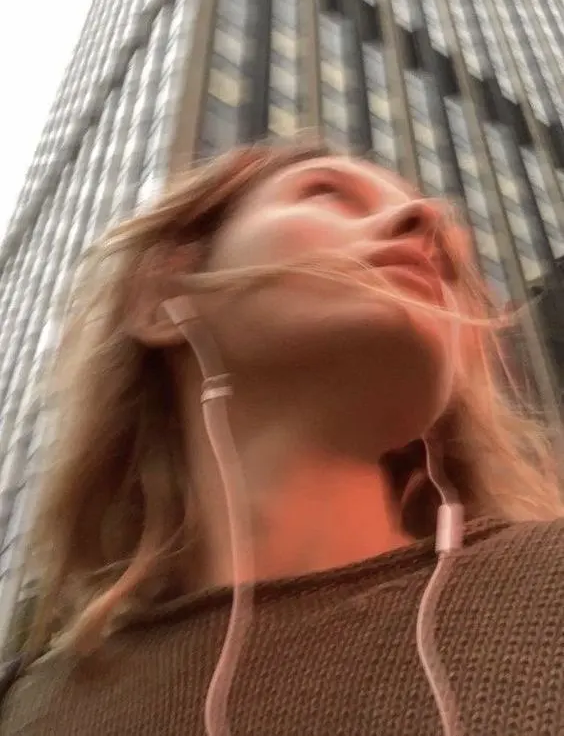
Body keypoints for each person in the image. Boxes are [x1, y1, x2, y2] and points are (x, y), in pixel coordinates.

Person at [1, 138, 564, 736]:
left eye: (449, 263)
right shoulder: (28, 709)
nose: (426, 219)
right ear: (163, 299)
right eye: (326, 193)